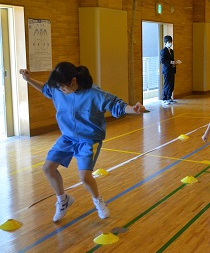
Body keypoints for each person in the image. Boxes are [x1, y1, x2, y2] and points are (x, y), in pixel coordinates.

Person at [19, 62, 147, 222]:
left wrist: (134, 109)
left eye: (62, 87)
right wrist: (28, 79)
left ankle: (98, 200)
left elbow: (117, 105)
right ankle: (63, 200)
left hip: (88, 139)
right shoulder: (59, 90)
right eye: (58, 87)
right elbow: (47, 89)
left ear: (73, 81)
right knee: (48, 168)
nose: (60, 90)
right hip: (67, 137)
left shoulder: (95, 94)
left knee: (84, 176)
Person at [160, 35, 178, 106]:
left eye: (171, 42)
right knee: (167, 84)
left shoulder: (171, 51)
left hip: (172, 70)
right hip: (167, 70)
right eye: (169, 42)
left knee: (171, 84)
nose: (170, 43)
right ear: (165, 43)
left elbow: (172, 60)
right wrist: (170, 62)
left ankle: (169, 97)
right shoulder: (163, 51)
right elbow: (163, 61)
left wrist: (175, 63)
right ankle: (164, 99)